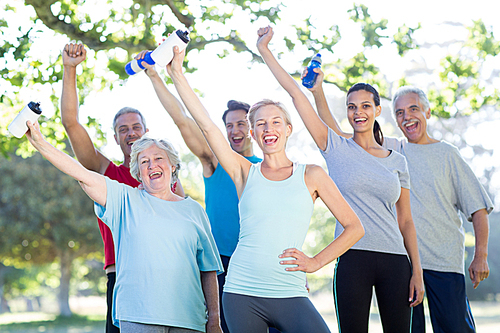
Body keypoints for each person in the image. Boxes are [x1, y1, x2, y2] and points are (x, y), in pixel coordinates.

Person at [166, 29, 365, 333]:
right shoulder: (244, 171)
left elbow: (355, 228)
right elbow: (206, 125)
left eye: (275, 122)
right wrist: (177, 73)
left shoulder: (311, 174)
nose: (268, 128)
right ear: (253, 134)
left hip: (290, 291)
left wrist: (315, 262)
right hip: (241, 291)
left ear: (288, 129)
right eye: (260, 124)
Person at [258, 26, 424, 333]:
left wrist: (417, 271)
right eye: (351, 107)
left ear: (377, 109)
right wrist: (265, 50)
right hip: (352, 259)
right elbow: (296, 95)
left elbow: (407, 222)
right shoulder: (335, 147)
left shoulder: (398, 160)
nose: (357, 112)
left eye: (364, 106)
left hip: (395, 261)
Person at [306, 70, 494, 332]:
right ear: (391, 116)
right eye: (400, 113)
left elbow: (478, 207)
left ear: (427, 113)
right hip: (402, 263)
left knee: (455, 328)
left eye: (414, 109)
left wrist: (481, 255)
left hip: (443, 263)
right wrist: (318, 92)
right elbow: (335, 134)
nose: (407, 117)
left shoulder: (447, 154)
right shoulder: (391, 150)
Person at [24, 120, 223, 333]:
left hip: (189, 319)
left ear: (172, 165)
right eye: (144, 161)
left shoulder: (194, 210)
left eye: (158, 158)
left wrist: (214, 320)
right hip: (138, 316)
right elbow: (82, 174)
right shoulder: (124, 199)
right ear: (137, 172)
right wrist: (41, 144)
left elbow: (209, 269)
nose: (152, 165)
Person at [61, 43, 184, 332]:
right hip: (122, 277)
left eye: (136, 127)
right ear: (116, 138)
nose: (131, 133)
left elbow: (184, 223)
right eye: (123, 129)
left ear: (146, 131)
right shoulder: (107, 174)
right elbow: (71, 123)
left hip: (168, 275)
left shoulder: (167, 178)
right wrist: (70, 69)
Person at [135, 51, 261, 332]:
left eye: (241, 123)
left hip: (258, 259)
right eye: (229, 125)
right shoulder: (215, 161)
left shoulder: (265, 169)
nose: (234, 130)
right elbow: (182, 120)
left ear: (254, 126)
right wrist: (154, 74)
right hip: (223, 263)